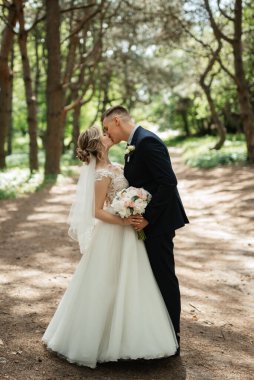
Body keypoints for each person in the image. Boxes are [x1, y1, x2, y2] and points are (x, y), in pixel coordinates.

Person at [42, 126, 178, 368]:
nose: (109, 135)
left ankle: (130, 337)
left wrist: (136, 205)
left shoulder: (115, 166)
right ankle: (100, 340)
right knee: (107, 282)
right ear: (98, 144)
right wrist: (125, 220)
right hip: (114, 231)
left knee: (131, 282)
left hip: (128, 233)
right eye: (103, 134)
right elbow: (96, 211)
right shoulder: (100, 174)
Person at [102, 106, 189, 354]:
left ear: (116, 121)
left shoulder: (147, 141)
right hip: (146, 220)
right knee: (151, 278)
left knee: (163, 277)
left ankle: (173, 338)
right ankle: (157, 334)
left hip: (159, 223)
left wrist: (148, 218)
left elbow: (168, 182)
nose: (108, 133)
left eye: (108, 128)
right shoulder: (134, 144)